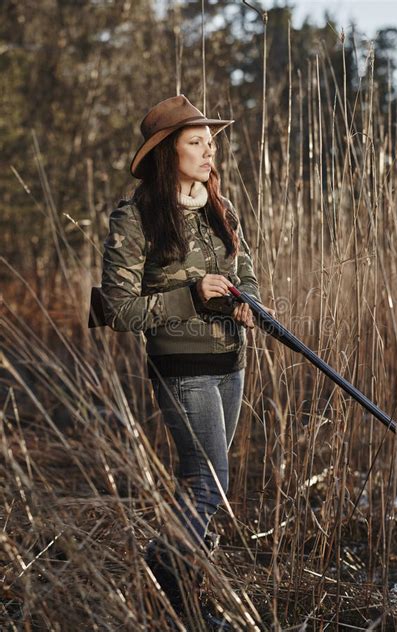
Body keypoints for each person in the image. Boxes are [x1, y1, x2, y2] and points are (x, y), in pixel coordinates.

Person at [100, 94, 270, 626]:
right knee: (208, 481)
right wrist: (193, 293)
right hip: (182, 364)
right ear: (165, 152)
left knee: (201, 483)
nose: (208, 151)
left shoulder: (222, 206)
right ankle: (166, 578)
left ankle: (184, 585)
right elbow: (114, 308)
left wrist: (250, 305)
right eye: (194, 142)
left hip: (230, 361)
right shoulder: (137, 217)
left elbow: (247, 274)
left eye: (211, 142)